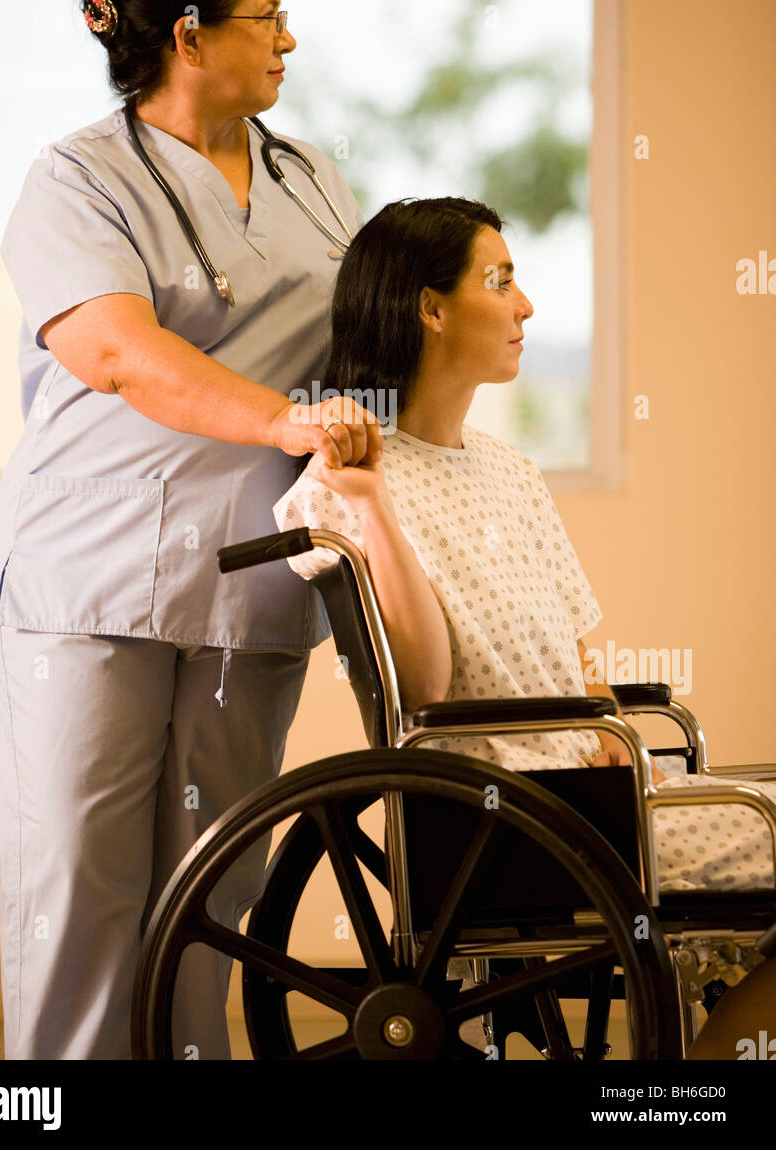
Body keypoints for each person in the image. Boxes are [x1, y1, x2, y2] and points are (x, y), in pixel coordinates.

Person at [0, 0, 383, 1060]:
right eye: (268, 15)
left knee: (208, 898)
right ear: (191, 33)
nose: (289, 39)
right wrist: (279, 417)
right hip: (89, 583)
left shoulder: (310, 177)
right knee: (81, 889)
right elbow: (112, 350)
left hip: (249, 584)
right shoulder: (78, 177)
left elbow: (359, 353)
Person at [271, 196, 776, 1059]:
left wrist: (601, 717)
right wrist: (373, 508)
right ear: (429, 308)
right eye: (499, 280)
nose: (525, 305)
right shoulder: (342, 486)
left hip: (586, 794)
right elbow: (424, 693)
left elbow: (571, 652)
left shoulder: (510, 470)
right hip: (506, 819)